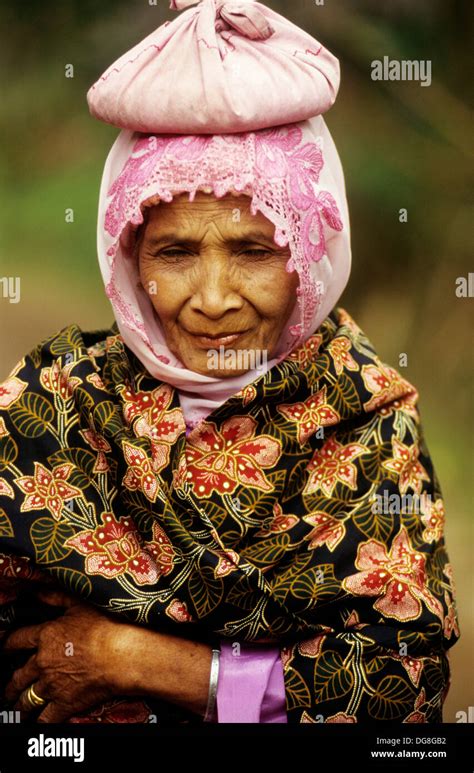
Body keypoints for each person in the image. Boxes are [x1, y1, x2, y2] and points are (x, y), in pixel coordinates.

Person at [0, 0, 459, 724]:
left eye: (254, 251)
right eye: (174, 253)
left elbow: (398, 685)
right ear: (126, 259)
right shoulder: (52, 402)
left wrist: (139, 660)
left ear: (311, 254)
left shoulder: (368, 417)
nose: (213, 300)